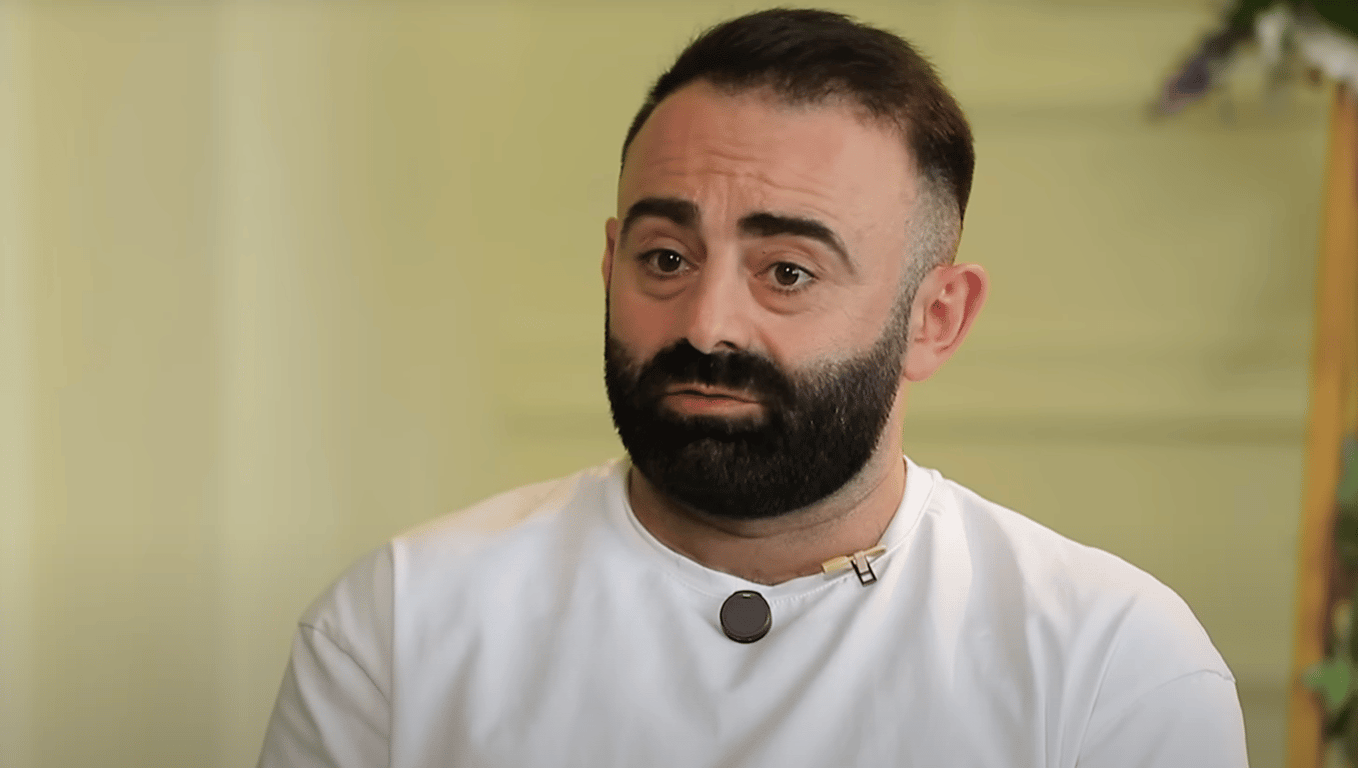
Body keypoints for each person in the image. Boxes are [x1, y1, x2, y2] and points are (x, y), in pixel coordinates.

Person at [257, 8, 1248, 767]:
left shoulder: (1110, 661)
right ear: (609, 262)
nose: (706, 325)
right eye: (665, 258)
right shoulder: (401, 626)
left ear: (935, 319)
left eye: (786, 271)